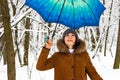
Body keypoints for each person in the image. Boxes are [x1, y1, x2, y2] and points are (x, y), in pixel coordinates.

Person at [36, 29, 103, 80]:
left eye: (72, 35)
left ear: (76, 39)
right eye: (67, 35)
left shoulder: (84, 55)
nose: (70, 37)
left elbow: (93, 74)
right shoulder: (57, 56)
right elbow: (40, 66)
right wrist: (46, 48)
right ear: (63, 40)